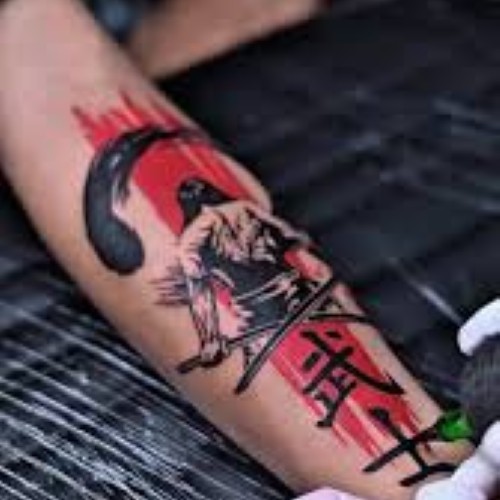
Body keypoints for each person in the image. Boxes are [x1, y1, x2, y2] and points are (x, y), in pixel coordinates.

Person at [0, 0, 475, 498]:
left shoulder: (200, 237)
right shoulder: (217, 227)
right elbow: (48, 66)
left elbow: (210, 288)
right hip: (285, 319)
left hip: (279, 319)